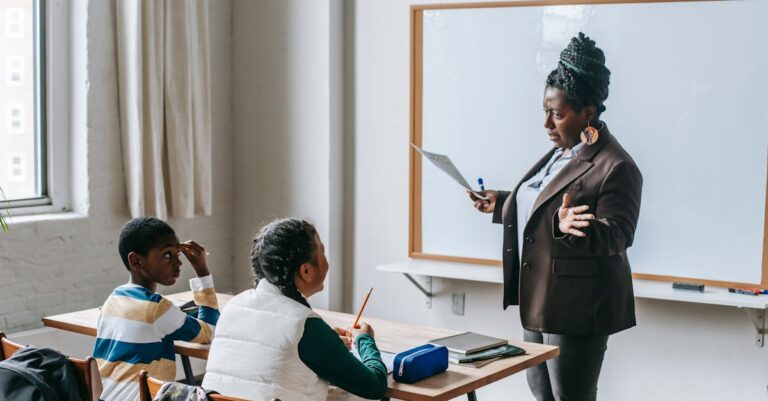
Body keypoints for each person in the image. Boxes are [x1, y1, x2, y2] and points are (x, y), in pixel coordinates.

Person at [468, 33, 642, 401]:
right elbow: (543, 201)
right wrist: (500, 202)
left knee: (571, 398)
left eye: (558, 114)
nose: (547, 123)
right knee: (541, 395)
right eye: (545, 111)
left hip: (578, 308)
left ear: (588, 113)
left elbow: (619, 234)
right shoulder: (562, 151)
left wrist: (576, 228)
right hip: (540, 297)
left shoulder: (617, 165)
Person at [202, 218, 387, 401]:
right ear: (306, 271)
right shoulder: (305, 326)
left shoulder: (234, 305)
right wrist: (365, 340)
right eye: (323, 253)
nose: (327, 261)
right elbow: (374, 386)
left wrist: (327, 340)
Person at [94, 217, 220, 401]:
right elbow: (209, 332)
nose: (178, 263)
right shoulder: (157, 308)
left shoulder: (113, 298)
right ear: (136, 261)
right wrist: (202, 271)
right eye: (167, 255)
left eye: (178, 254)